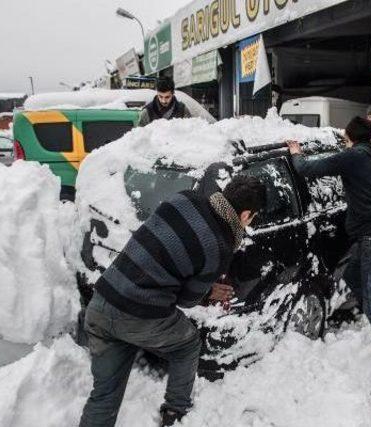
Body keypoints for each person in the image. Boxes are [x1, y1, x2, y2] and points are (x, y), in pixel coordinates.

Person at [79, 175, 266, 427]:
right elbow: (187, 301)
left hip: (104, 299)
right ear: (245, 216)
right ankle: (175, 412)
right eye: (252, 218)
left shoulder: (184, 198)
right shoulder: (219, 247)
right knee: (187, 345)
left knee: (104, 396)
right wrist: (207, 291)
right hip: (140, 315)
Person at [287, 117, 371, 408]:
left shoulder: (355, 156)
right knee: (351, 275)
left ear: (349, 137)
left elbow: (307, 170)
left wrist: (296, 152)